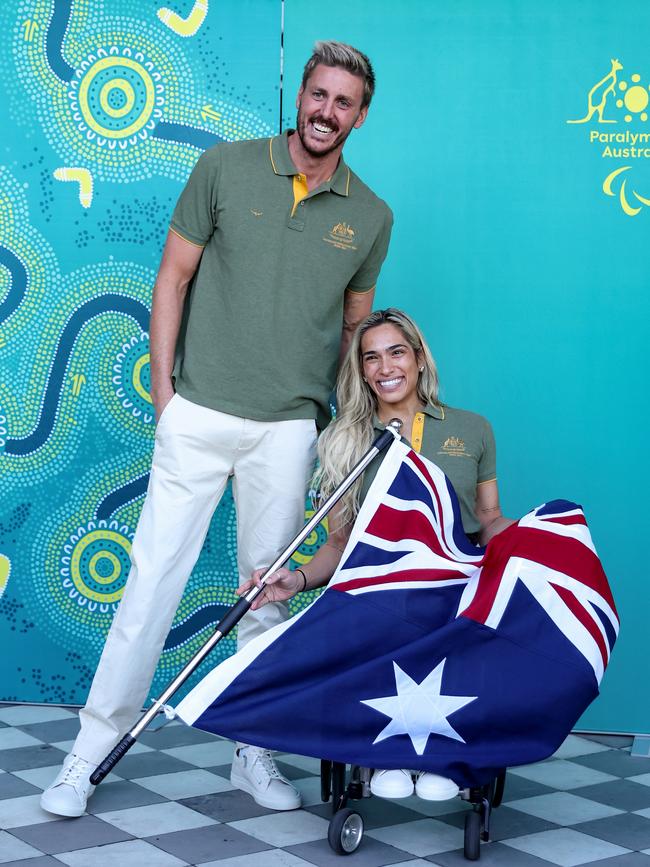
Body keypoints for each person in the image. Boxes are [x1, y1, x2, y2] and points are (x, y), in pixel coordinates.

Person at [41, 41, 392, 818]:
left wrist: (333, 433)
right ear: (299, 96)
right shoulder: (227, 168)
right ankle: (85, 754)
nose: (325, 111)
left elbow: (352, 334)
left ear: (360, 116)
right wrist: (168, 396)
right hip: (198, 413)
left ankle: (253, 751)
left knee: (265, 598)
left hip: (289, 431)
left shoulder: (370, 217)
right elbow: (173, 277)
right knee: (150, 586)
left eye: (343, 102)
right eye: (317, 95)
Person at [238, 308, 513, 801]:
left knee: (480, 620)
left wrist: (527, 535)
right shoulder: (343, 442)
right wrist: (295, 580)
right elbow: (339, 545)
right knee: (364, 620)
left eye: (396, 352)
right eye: (371, 357)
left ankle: (442, 756)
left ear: (420, 360)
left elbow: (489, 518)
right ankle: (381, 754)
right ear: (361, 370)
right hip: (381, 593)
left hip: (454, 589)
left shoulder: (474, 429)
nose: (386, 367)